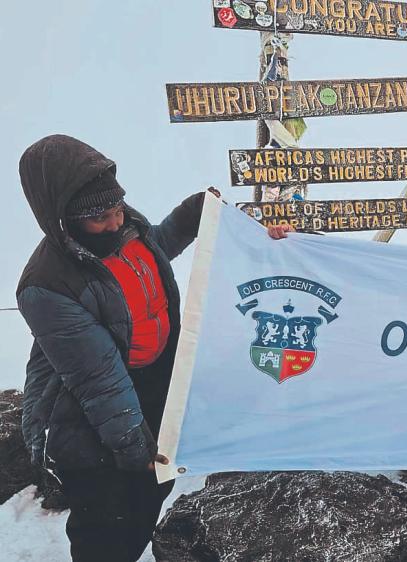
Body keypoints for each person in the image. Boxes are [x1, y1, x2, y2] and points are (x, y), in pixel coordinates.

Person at [16, 134, 289, 562]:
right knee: (106, 533)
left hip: (153, 393)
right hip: (91, 426)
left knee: (146, 505)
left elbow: (153, 249)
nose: (115, 222)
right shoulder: (47, 286)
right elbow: (98, 379)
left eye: (118, 209)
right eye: (100, 218)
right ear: (63, 217)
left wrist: (196, 213)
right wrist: (138, 450)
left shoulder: (123, 227)